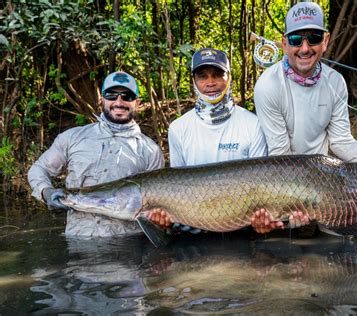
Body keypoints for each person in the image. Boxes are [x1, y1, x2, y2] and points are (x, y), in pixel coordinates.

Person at [252, 2, 357, 233]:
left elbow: (341, 141)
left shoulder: (336, 82)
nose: (305, 48)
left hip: (324, 179)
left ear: (326, 41)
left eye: (314, 38)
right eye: (296, 40)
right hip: (283, 180)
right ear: (284, 43)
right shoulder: (267, 86)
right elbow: (281, 155)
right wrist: (300, 199)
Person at [148, 48, 309, 234]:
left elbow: (262, 185)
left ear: (229, 77)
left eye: (218, 75)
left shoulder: (253, 123)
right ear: (193, 80)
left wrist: (266, 219)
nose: (211, 83)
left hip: (243, 230)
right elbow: (177, 188)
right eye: (202, 76)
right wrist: (164, 220)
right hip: (194, 234)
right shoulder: (178, 128)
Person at [28, 71, 165, 237]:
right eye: (111, 95)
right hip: (78, 239)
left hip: (128, 244)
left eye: (127, 96)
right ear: (102, 99)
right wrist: (45, 191)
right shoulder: (72, 137)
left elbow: (158, 207)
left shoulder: (151, 151)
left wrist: (159, 219)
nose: (119, 102)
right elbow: (39, 169)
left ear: (137, 102)